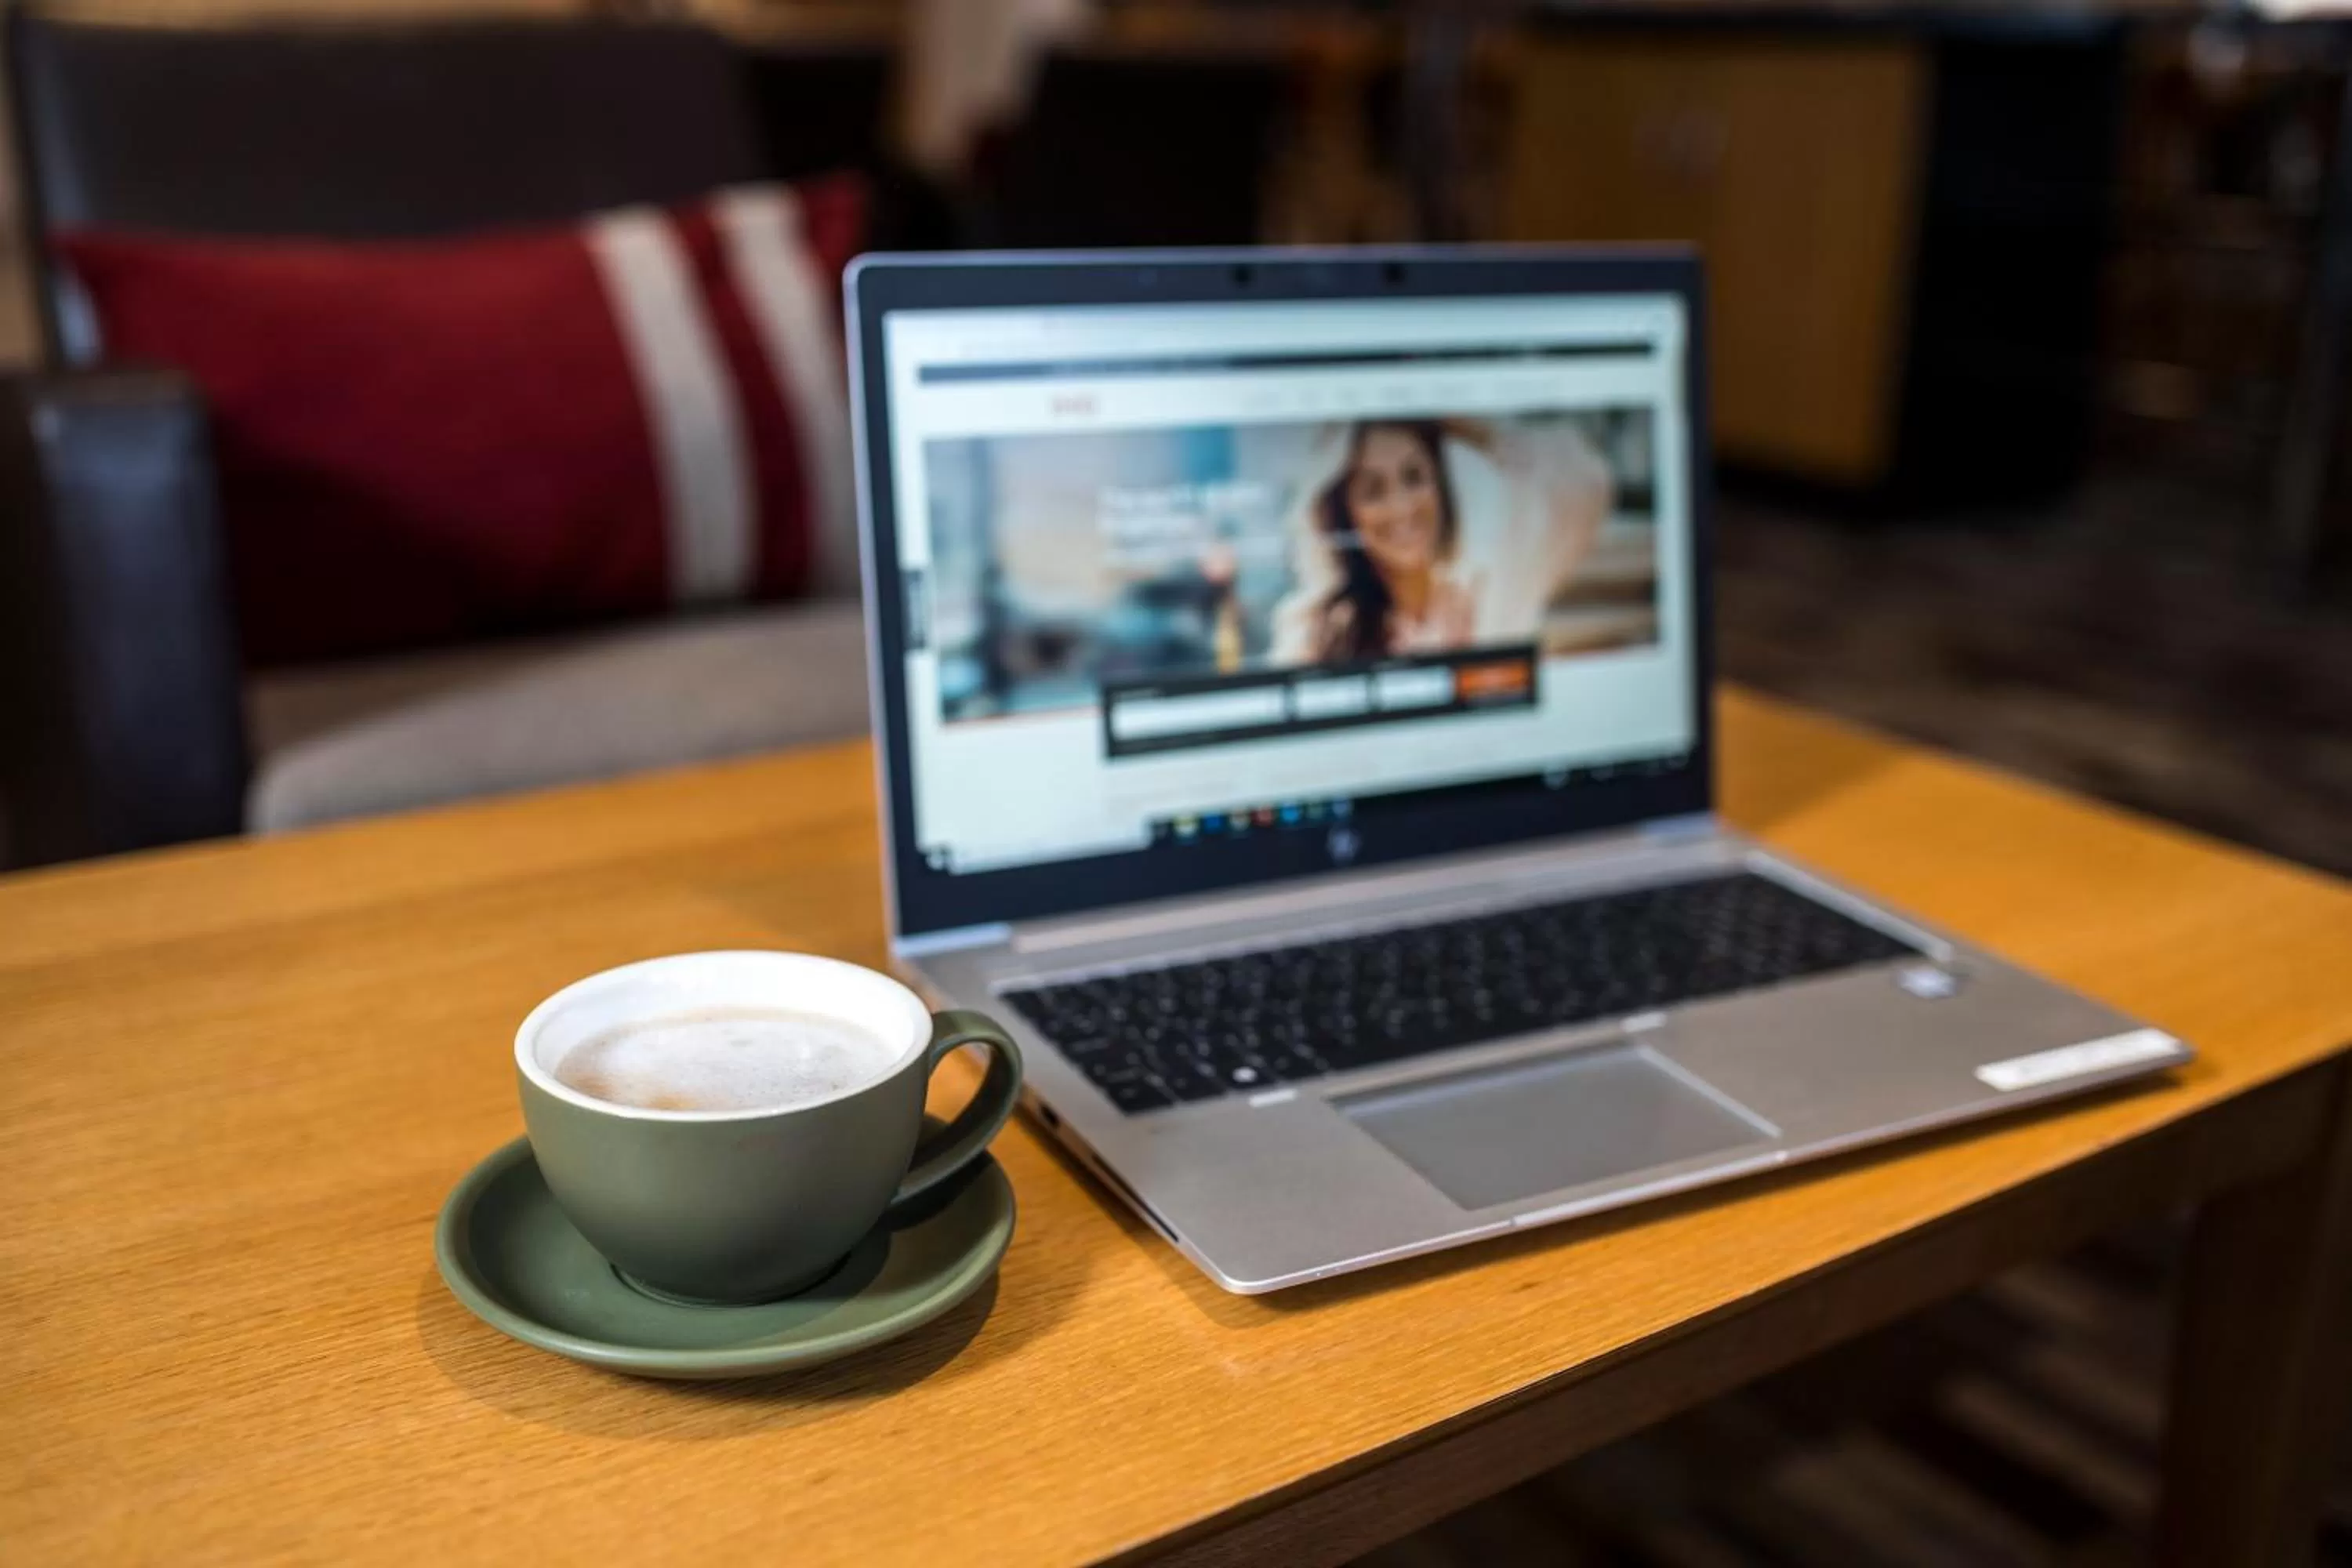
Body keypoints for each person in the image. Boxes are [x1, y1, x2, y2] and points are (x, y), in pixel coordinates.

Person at [1269, 416, 1613, 665]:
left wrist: (1471, 426)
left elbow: (1586, 481)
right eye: (1373, 491)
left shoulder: (1487, 590)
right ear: (1345, 512)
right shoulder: (1317, 632)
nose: (1402, 507)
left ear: (1440, 484)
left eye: (1414, 477)